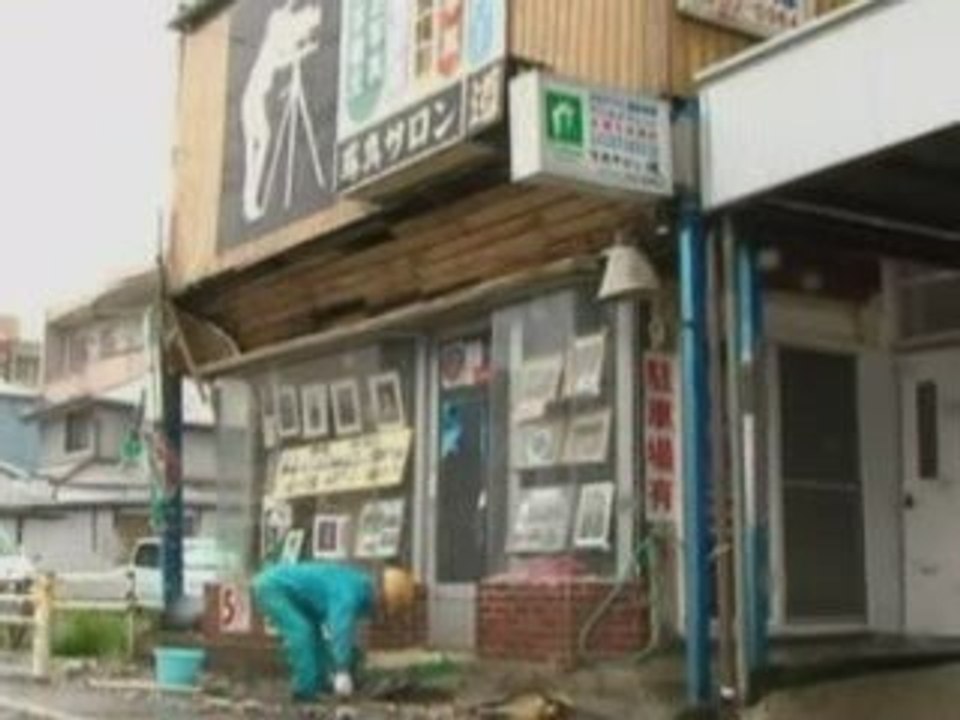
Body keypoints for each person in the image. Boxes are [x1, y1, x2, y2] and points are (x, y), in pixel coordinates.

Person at [252, 562, 415, 701]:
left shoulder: (356, 587)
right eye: (385, 608)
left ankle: (320, 684)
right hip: (274, 588)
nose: (381, 614)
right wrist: (342, 669)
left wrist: (350, 660)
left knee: (315, 636)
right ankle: (304, 692)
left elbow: (341, 633)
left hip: (293, 593)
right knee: (302, 633)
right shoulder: (349, 594)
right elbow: (340, 630)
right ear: (382, 596)